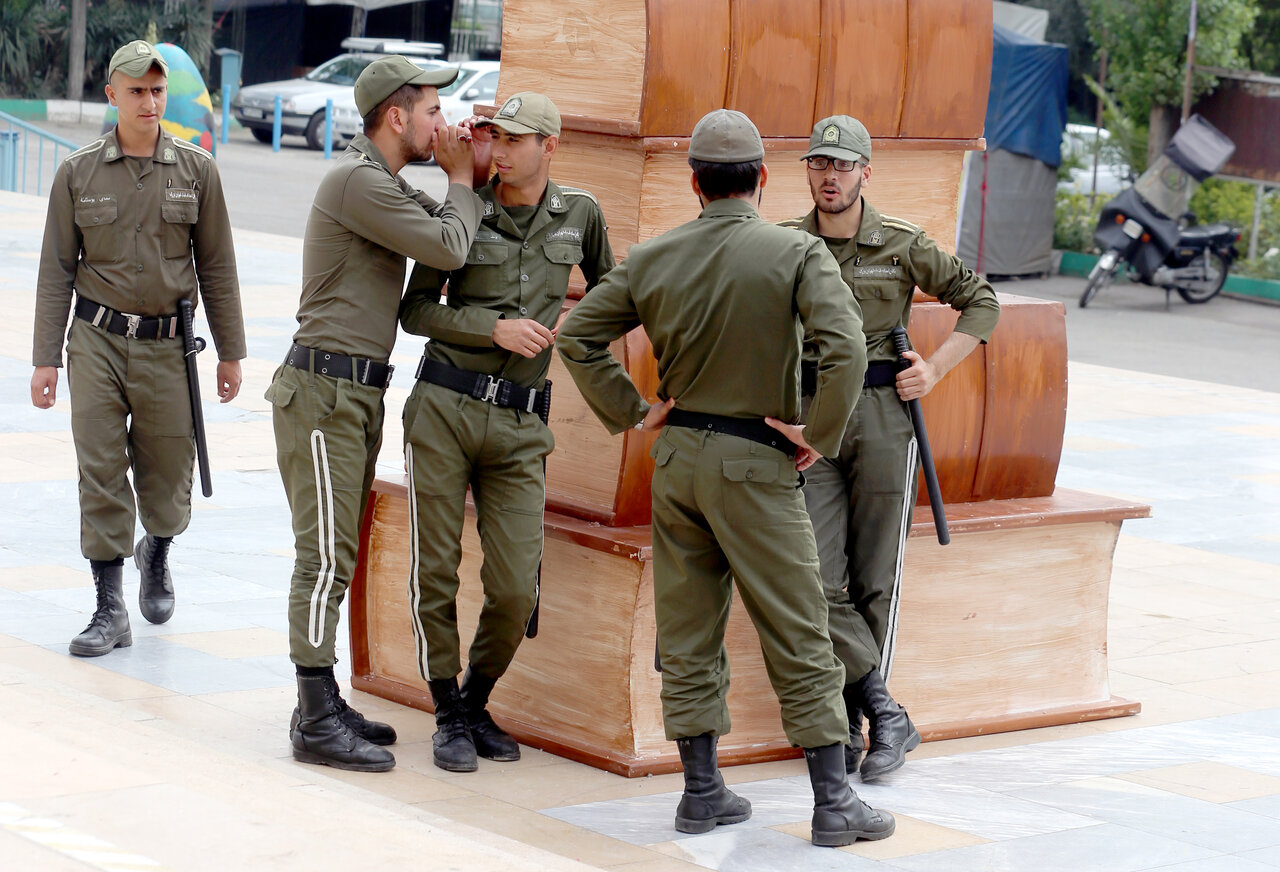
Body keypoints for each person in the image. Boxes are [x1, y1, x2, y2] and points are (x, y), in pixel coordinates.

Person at [556, 109, 895, 847]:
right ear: (764, 178)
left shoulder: (653, 257)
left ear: (695, 184)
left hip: (677, 461)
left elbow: (578, 334)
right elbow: (843, 349)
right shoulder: (796, 253)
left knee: (686, 628)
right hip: (756, 464)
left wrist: (633, 410)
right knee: (800, 627)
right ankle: (834, 803)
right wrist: (819, 434)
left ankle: (702, 792)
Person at [267, 55, 483, 773]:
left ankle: (321, 699)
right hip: (325, 393)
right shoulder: (357, 182)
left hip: (352, 391)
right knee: (324, 558)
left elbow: (455, 235)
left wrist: (469, 173)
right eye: (430, 111)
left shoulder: (379, 185)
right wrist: (459, 176)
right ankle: (311, 717)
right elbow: (450, 241)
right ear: (396, 116)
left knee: (341, 552)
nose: (440, 123)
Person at [398, 92, 614, 773]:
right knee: (435, 570)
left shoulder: (580, 214)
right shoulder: (462, 211)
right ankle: (445, 712)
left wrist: (579, 341)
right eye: (494, 135)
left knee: (518, 586)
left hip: (520, 423)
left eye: (516, 139)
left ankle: (475, 696)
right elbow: (415, 311)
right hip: (444, 407)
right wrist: (488, 327)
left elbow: (616, 295)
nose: (500, 147)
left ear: (549, 146)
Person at [781, 115, 1001, 780]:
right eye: (820, 164)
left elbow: (981, 302)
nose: (830, 176)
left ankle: (857, 723)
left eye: (842, 165)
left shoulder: (901, 243)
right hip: (814, 421)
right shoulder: (786, 245)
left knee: (875, 577)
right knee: (816, 579)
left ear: (865, 173)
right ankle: (884, 708)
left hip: (882, 416)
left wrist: (934, 368)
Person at [31, 39, 245, 658]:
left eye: (156, 91)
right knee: (99, 469)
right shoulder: (78, 172)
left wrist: (229, 351)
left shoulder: (197, 171)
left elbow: (218, 266)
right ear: (112, 96)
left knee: (168, 475)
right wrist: (47, 358)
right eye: (137, 91)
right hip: (95, 340)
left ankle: (159, 546)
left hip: (167, 348)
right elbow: (55, 271)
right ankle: (108, 606)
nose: (150, 102)